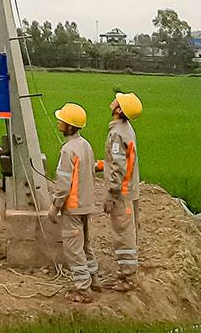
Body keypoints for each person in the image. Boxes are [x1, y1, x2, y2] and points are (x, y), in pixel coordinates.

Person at [47, 102, 100, 303]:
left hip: (73, 207)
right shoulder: (85, 145)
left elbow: (63, 185)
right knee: (86, 244)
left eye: (61, 120)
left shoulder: (68, 150)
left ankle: (83, 289)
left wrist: (55, 207)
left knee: (73, 249)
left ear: (69, 125)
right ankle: (95, 279)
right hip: (86, 205)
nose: (58, 122)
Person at [98, 91, 143, 291]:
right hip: (130, 189)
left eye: (118, 100)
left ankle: (127, 278)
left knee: (123, 233)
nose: (114, 99)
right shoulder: (127, 129)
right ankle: (127, 274)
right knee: (129, 230)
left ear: (118, 109)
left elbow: (118, 167)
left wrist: (110, 194)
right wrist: (102, 165)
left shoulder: (117, 133)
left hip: (121, 193)